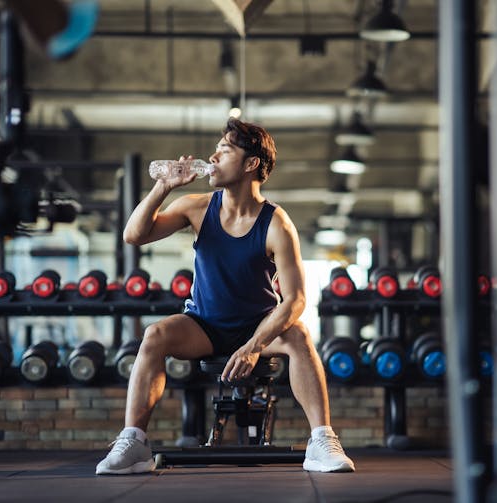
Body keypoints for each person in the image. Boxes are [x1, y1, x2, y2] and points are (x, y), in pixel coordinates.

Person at [96, 118, 355, 475]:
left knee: (299, 334)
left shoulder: (277, 224)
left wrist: (253, 346)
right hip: (204, 326)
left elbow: (295, 301)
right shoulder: (196, 207)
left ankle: (322, 440)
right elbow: (133, 235)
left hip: (258, 328)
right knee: (155, 335)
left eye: (225, 150)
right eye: (216, 149)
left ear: (251, 164)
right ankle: (134, 442)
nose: (212, 157)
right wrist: (163, 188)